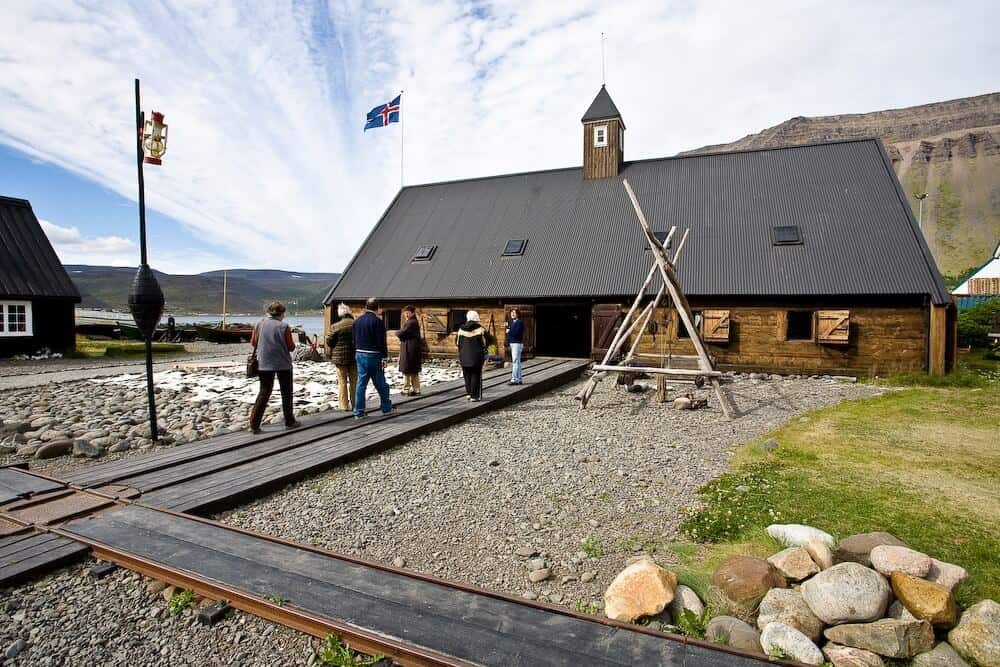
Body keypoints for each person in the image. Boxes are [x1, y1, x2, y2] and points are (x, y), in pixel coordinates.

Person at [249, 301, 300, 433]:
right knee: (286, 392)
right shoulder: (284, 326)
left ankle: (254, 424)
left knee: (264, 391)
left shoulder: (259, 323)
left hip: (263, 362)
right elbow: (291, 347)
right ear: (281, 313)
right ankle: (289, 421)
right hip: (283, 363)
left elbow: (253, 342)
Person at [353, 297, 393, 419]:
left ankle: (359, 411)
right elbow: (381, 341)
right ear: (377, 308)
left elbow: (353, 339)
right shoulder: (378, 322)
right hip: (374, 355)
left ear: (366, 306)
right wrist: (385, 357)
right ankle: (386, 407)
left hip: (359, 353)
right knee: (380, 383)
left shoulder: (357, 321)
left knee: (361, 384)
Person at [326, 303, 357, 412]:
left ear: (340, 314)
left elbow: (329, 341)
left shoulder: (335, 326)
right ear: (349, 312)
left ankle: (344, 406)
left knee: (342, 382)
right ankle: (355, 404)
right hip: (354, 357)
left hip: (339, 359)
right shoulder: (356, 324)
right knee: (354, 381)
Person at [456, 310, 487, 401]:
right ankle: (475, 396)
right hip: (476, 356)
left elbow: (457, 343)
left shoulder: (461, 330)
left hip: (464, 356)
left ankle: (469, 393)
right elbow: (485, 343)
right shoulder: (480, 329)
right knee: (475, 375)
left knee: (467, 375)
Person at [396, 305, 422, 396]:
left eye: (407, 313)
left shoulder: (411, 322)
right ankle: (416, 389)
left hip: (409, 348)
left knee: (407, 369)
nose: (405, 315)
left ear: (411, 313)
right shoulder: (413, 321)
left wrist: (397, 333)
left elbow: (401, 332)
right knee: (413, 370)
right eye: (405, 313)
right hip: (412, 348)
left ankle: (406, 389)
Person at [505, 308, 524, 385]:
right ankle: (519, 379)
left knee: (515, 361)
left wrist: (509, 331)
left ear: (518, 314)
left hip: (517, 343)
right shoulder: (512, 322)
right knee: (518, 362)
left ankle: (514, 379)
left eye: (514, 313)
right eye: (511, 313)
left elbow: (517, 333)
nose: (512, 314)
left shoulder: (519, 322)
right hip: (513, 343)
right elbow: (510, 333)